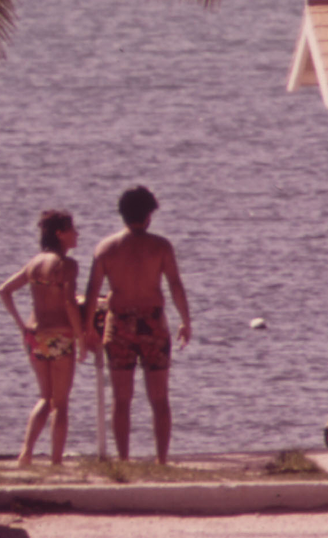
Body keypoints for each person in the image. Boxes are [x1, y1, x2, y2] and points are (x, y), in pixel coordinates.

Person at [84, 185, 191, 464]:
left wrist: (86, 329)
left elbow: (93, 291)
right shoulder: (161, 246)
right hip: (153, 322)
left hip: (118, 323)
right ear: (149, 216)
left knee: (121, 398)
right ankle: (162, 460)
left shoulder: (106, 248)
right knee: (159, 397)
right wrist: (185, 320)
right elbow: (175, 285)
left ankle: (123, 459)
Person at [0, 209, 87, 466]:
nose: (77, 234)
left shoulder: (35, 263)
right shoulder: (67, 265)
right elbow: (69, 304)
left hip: (34, 335)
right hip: (60, 335)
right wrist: (81, 339)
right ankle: (56, 462)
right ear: (60, 234)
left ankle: (26, 453)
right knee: (60, 403)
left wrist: (21, 326)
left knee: (44, 398)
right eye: (72, 229)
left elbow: (4, 291)